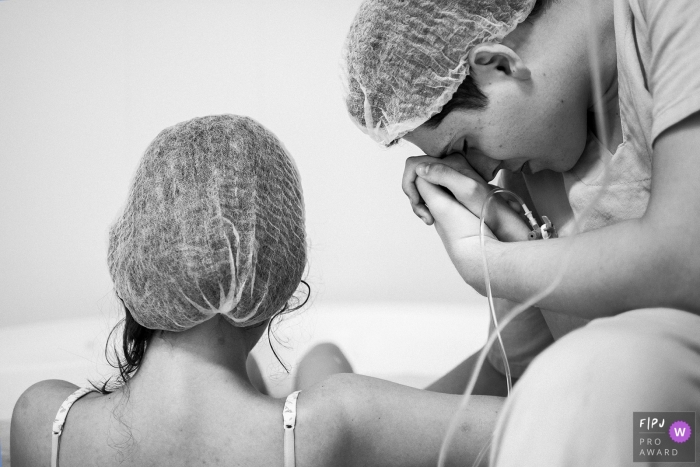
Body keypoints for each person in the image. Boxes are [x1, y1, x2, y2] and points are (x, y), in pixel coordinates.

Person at [10, 115, 503, 467]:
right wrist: (503, 250)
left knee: (289, 372)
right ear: (280, 282)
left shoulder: (42, 418)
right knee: (322, 362)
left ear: (136, 261)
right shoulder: (339, 422)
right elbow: (548, 413)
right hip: (290, 438)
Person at [341, 0, 700, 464]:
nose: (482, 173)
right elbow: (515, 379)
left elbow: (683, 259)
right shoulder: (538, 164)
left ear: (497, 64)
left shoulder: (678, 15)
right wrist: (345, 426)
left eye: (467, 146)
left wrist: (486, 261)